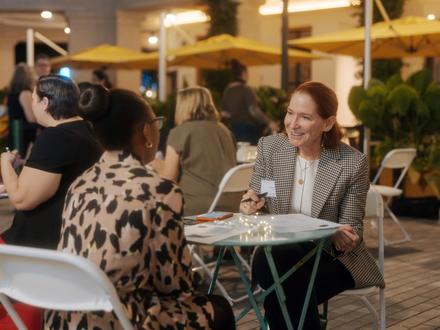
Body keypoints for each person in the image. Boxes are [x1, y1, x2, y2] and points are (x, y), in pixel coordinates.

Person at [44, 85, 235, 329]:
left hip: (67, 316)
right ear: (146, 131)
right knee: (219, 309)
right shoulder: (160, 191)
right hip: (121, 317)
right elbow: (175, 284)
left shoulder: (80, 184)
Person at [240, 81, 384, 329]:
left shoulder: (352, 162)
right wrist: (250, 203)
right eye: (290, 112)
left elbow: (352, 234)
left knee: (281, 291)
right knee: (282, 270)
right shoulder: (271, 147)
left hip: (331, 257)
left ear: (327, 123)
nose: (292, 124)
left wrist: (339, 232)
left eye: (304, 117)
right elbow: (257, 199)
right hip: (279, 253)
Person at [0, 75, 102, 249]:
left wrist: (5, 162)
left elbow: (21, 199)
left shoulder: (57, 136)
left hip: (37, 243)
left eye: (33, 99)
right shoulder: (88, 130)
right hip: (72, 234)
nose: (32, 105)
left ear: (45, 102)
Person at [155, 86, 238, 216]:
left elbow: (168, 180)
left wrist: (152, 163)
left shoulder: (180, 132)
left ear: (183, 106)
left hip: (196, 207)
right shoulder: (225, 131)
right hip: (231, 205)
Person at [222, 59, 277, 145]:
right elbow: (253, 110)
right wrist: (269, 122)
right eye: (247, 73)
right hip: (248, 130)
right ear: (243, 73)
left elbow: (225, 113)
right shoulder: (246, 89)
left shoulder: (227, 90)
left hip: (233, 129)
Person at [7, 63, 37, 157]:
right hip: (23, 133)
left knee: (14, 161)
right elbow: (31, 118)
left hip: (15, 130)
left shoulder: (11, 93)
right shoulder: (25, 93)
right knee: (19, 162)